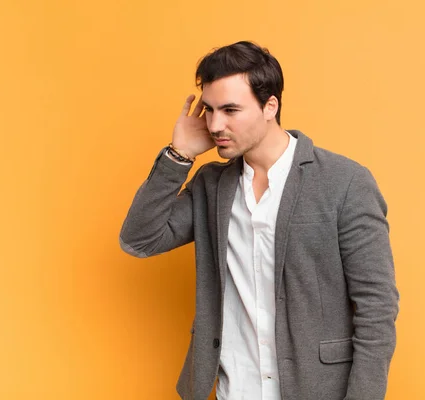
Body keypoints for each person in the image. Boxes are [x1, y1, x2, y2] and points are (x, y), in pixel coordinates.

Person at [119, 40, 399, 400]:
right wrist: (179, 155)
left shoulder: (344, 182)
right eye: (209, 109)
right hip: (235, 389)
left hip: (316, 389)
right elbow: (140, 239)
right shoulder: (212, 185)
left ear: (271, 106)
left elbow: (377, 307)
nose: (215, 124)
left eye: (231, 110)